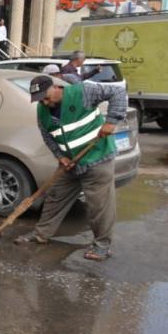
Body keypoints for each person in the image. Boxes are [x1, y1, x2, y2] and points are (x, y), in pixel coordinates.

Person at [14, 76, 127, 261]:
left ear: (56, 87)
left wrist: (111, 121)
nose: (44, 101)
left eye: (46, 96)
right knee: (55, 197)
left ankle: (102, 246)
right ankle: (41, 234)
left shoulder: (83, 91)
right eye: (39, 98)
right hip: (71, 163)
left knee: (99, 206)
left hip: (97, 157)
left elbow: (118, 92)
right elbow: (48, 136)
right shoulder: (42, 110)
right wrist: (61, 157)